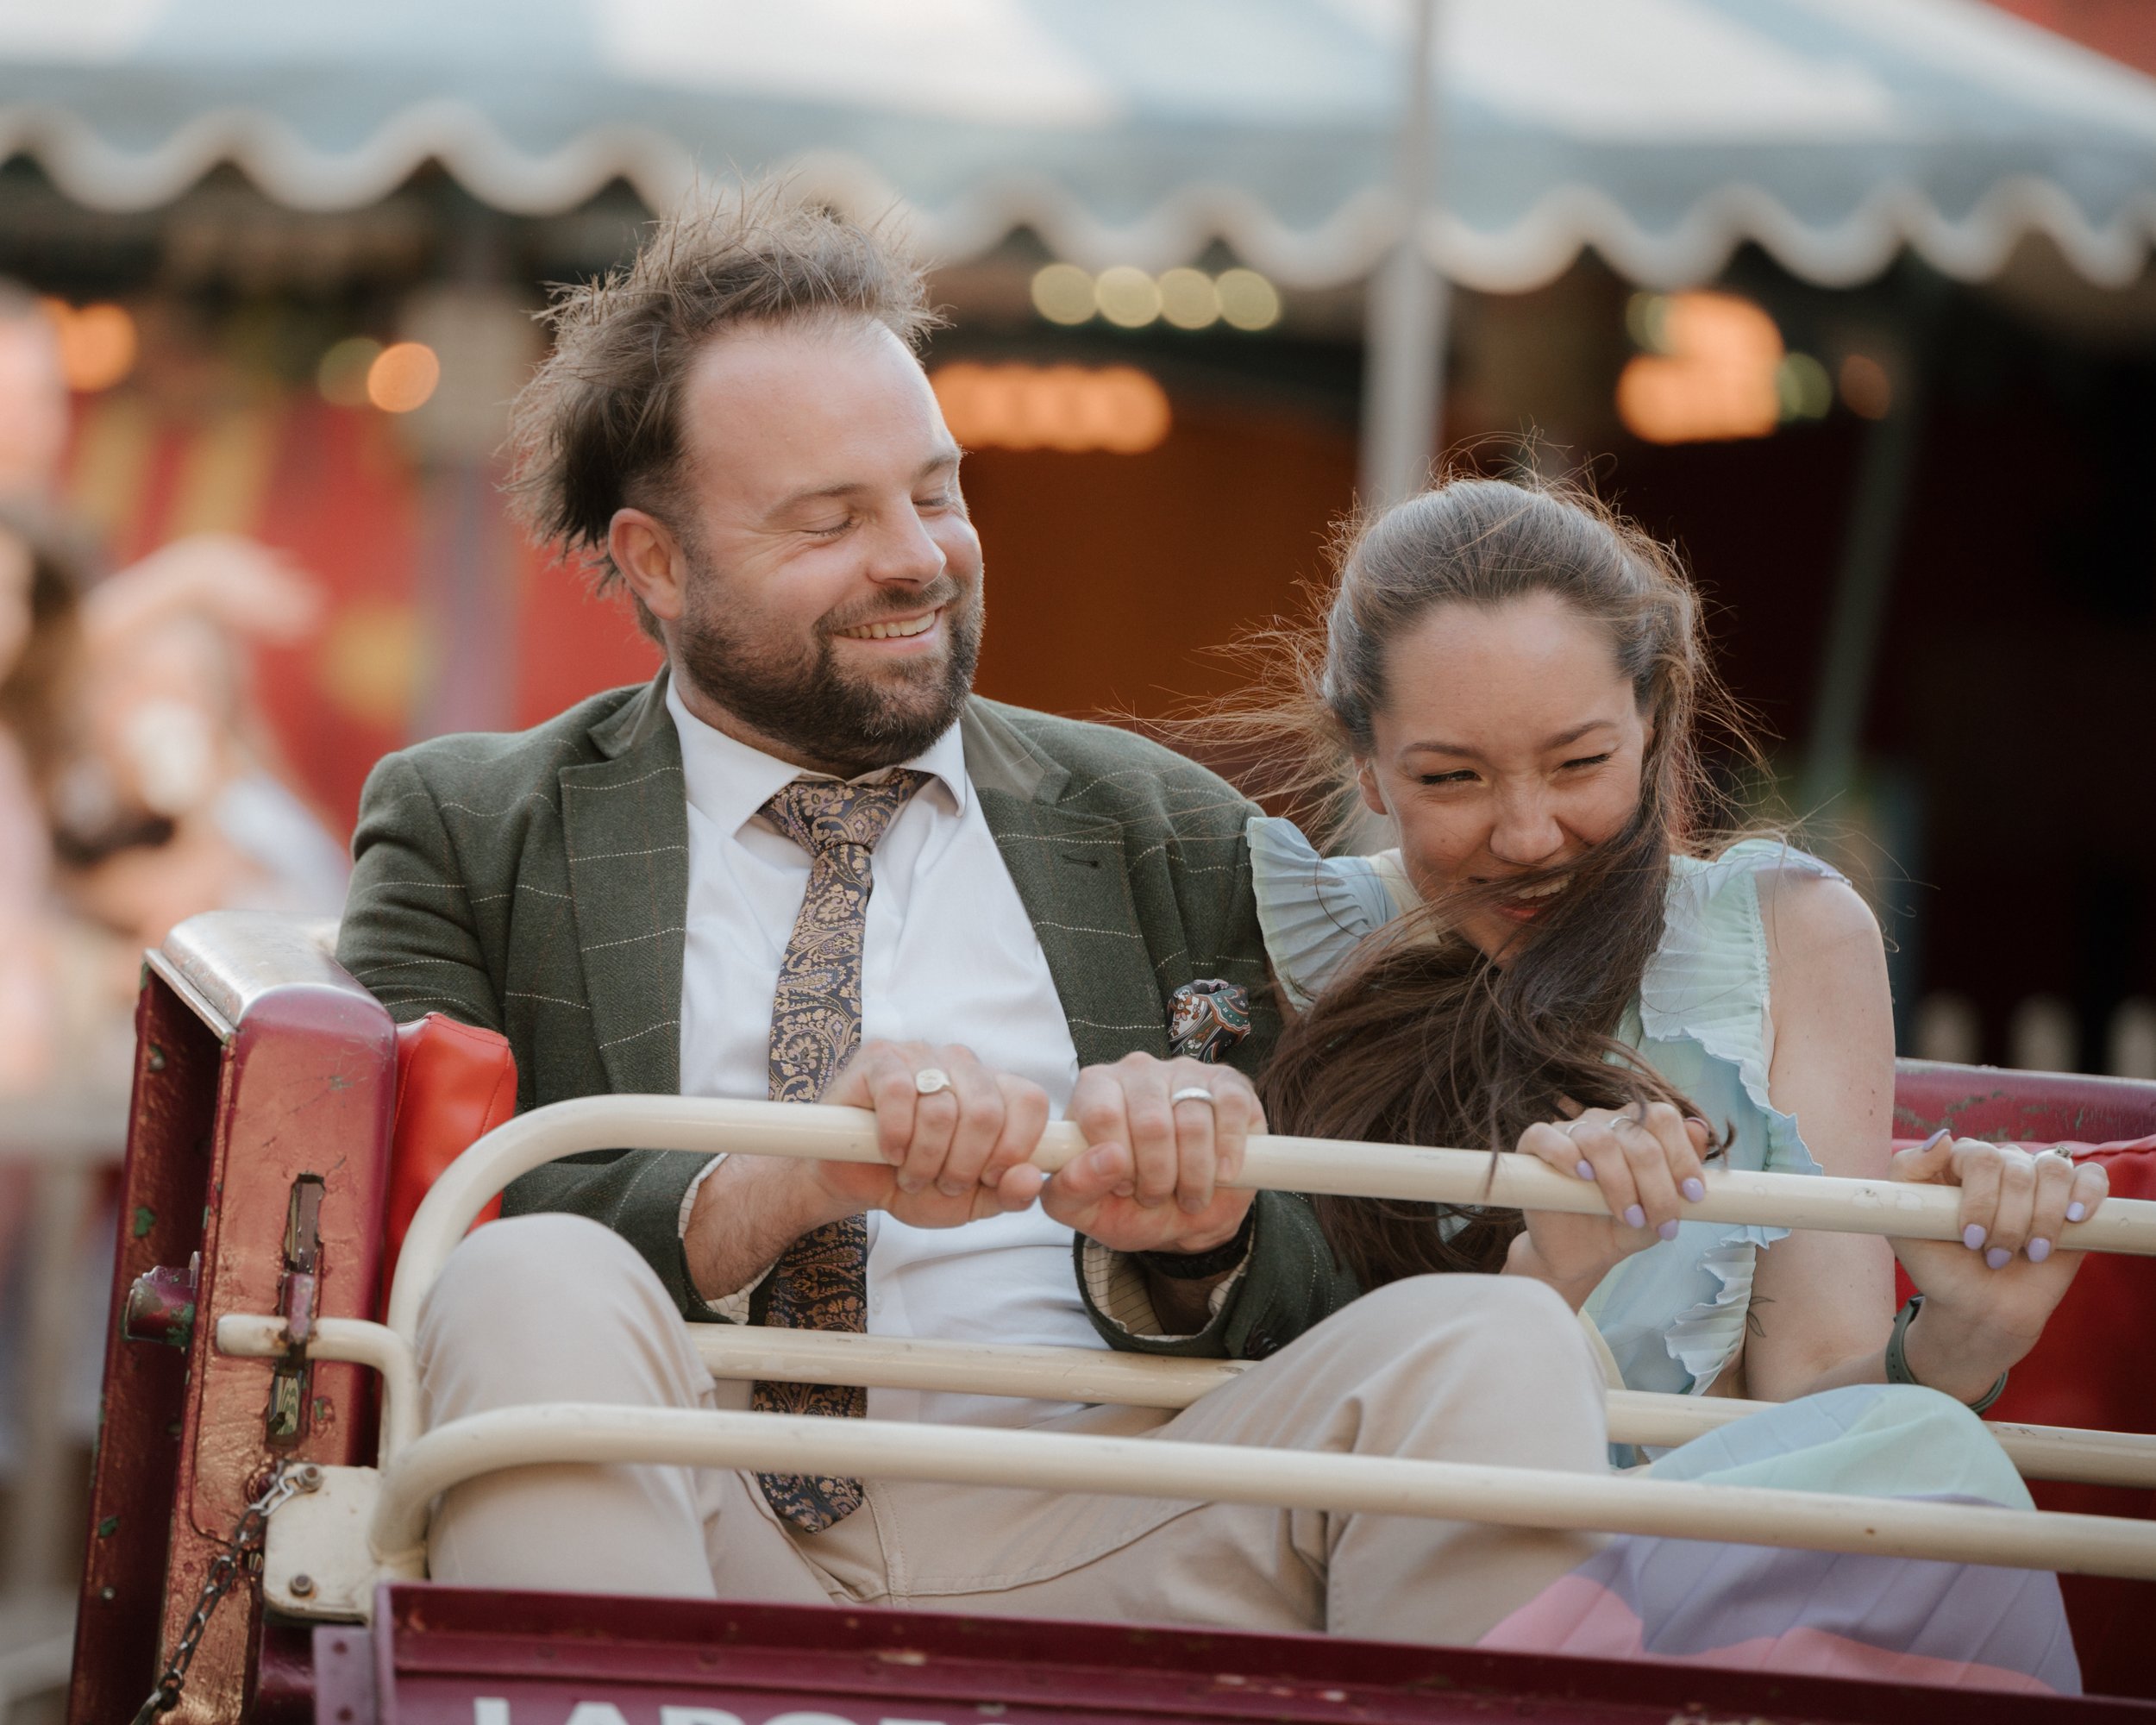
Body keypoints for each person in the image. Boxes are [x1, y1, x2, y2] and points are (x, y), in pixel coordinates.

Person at [335, 191, 1619, 1643]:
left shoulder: (1164, 823)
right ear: (657, 564)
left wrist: (1202, 1236)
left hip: (1118, 1512)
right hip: (685, 1501)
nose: (918, 558)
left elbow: (1344, 1262)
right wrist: (789, 1184)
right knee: (526, 1269)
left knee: (1497, 1341)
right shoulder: (472, 823)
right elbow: (394, 1240)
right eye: (830, 520)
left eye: (935, 492)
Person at [1241, 476, 2109, 1410]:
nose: (1528, 834)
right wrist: (1545, 1280)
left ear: (1651, 716)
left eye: (1580, 762)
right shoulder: (1281, 931)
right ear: (1366, 765)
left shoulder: (1790, 932)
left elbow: (1811, 1394)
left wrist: (1968, 1334)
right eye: (1452, 777)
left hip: (1710, 1542)